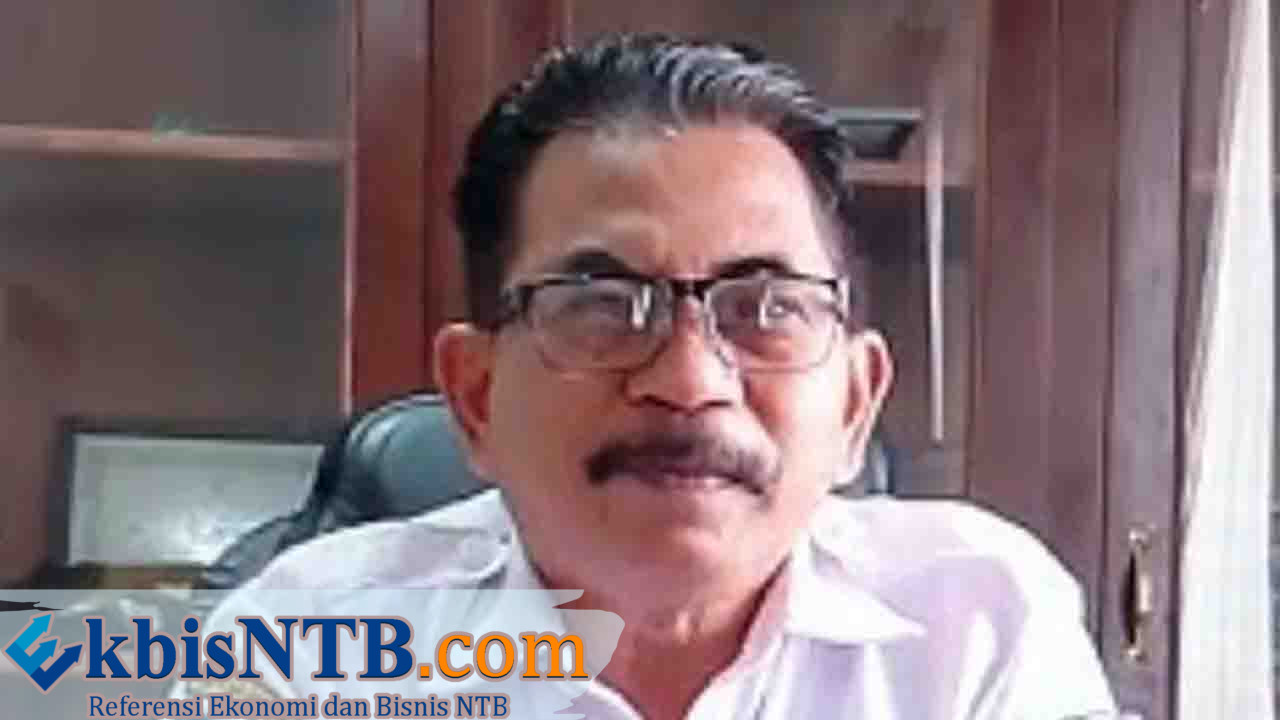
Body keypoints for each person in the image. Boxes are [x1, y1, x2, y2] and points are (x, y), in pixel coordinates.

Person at [228, 33, 1117, 719]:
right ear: (476, 398)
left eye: (765, 306)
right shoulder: (305, 648)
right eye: (601, 303)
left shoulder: (979, 620)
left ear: (855, 403)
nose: (690, 381)